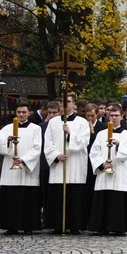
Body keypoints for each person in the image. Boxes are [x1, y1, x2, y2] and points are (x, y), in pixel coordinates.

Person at [43, 94, 90, 234]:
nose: (65, 104)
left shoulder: (82, 122)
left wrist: (70, 134)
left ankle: (75, 225)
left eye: (68, 101)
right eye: (63, 101)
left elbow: (84, 142)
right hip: (59, 164)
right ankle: (57, 224)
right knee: (58, 196)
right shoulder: (53, 122)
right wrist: (56, 155)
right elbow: (48, 143)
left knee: (75, 196)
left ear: (74, 104)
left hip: (75, 164)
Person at [0, 104, 42, 235]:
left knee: (28, 198)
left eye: (23, 112)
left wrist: (24, 159)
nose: (21, 115)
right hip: (10, 170)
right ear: (15, 113)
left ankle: (28, 226)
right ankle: (10, 226)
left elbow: (37, 148)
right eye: (19, 112)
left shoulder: (35, 129)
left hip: (27, 169)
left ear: (29, 113)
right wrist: (7, 141)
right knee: (11, 197)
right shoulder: (7, 128)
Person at [88, 104, 127, 235]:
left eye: (116, 115)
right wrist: (102, 164)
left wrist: (119, 145)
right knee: (103, 198)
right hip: (104, 172)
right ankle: (101, 226)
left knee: (118, 198)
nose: (113, 118)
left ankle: (118, 227)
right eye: (111, 116)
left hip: (119, 172)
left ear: (121, 117)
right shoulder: (101, 134)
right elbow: (94, 152)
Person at [84, 103, 106, 222]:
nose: (90, 118)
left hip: (96, 162)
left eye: (92, 115)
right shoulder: (82, 125)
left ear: (96, 114)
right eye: (88, 115)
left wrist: (92, 132)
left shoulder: (102, 127)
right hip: (84, 160)